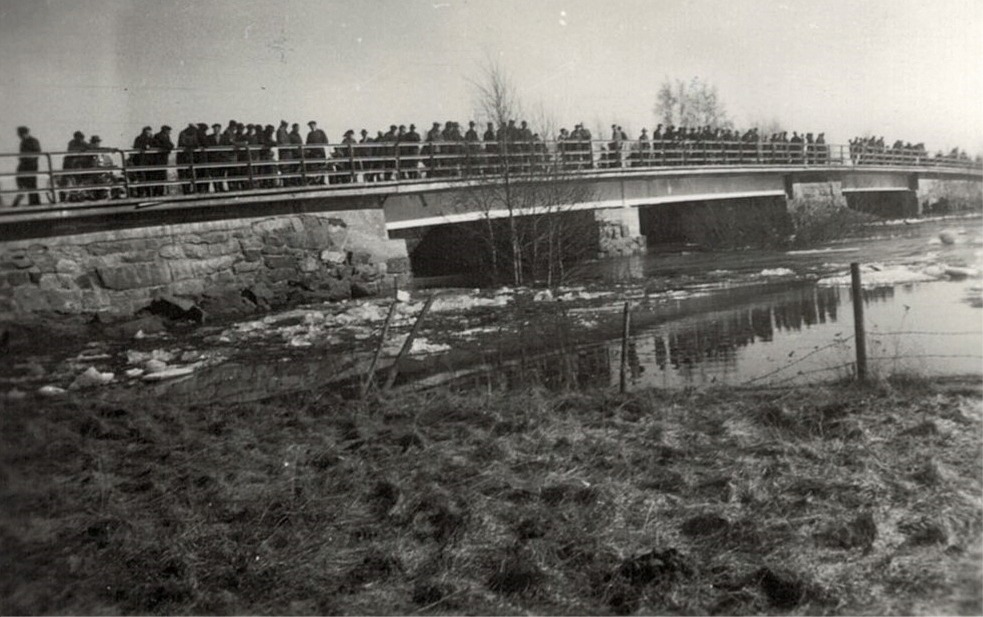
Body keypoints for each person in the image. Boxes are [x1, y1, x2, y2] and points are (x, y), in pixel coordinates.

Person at [13, 126, 42, 206]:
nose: (19, 136)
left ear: (24, 133)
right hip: (24, 165)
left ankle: (34, 202)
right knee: (23, 182)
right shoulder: (23, 142)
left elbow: (37, 152)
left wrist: (27, 158)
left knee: (31, 184)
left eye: (20, 134)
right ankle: (33, 202)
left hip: (31, 165)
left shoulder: (33, 141)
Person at [150, 125, 174, 196]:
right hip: (159, 159)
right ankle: (158, 192)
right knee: (159, 175)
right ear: (165, 130)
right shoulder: (159, 136)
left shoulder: (164, 136)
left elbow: (169, 144)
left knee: (161, 175)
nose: (169, 132)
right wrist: (168, 146)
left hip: (162, 158)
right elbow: (167, 144)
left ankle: (159, 191)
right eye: (168, 131)